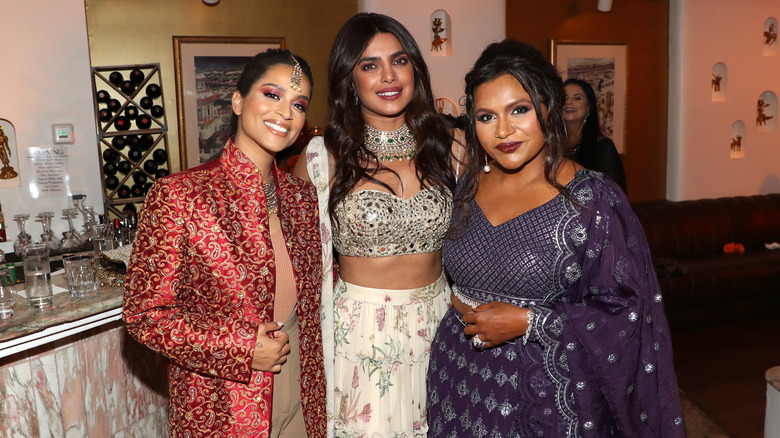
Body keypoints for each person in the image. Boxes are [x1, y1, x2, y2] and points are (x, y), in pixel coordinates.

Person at [426, 39, 686, 437]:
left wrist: (529, 322)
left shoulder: (594, 200)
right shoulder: (469, 183)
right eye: (486, 116)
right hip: (460, 375)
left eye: (519, 110)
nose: (503, 131)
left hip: (546, 397)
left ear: (547, 106)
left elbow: (627, 312)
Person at [124, 49, 326, 437]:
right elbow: (143, 315)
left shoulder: (302, 198)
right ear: (237, 100)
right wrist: (241, 348)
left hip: (302, 389)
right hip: (223, 401)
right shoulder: (180, 195)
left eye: (298, 104)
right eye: (272, 94)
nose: (285, 112)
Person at [294, 12, 463, 437]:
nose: (389, 76)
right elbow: (296, 260)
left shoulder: (450, 145)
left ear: (415, 68)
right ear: (348, 79)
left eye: (399, 60)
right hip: (361, 336)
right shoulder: (322, 157)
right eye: (369, 65)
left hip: (442, 326)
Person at [563, 78, 627, 192]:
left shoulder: (602, 148)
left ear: (588, 108)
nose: (569, 102)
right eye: (564, 97)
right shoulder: (548, 146)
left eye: (577, 98)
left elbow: (614, 196)